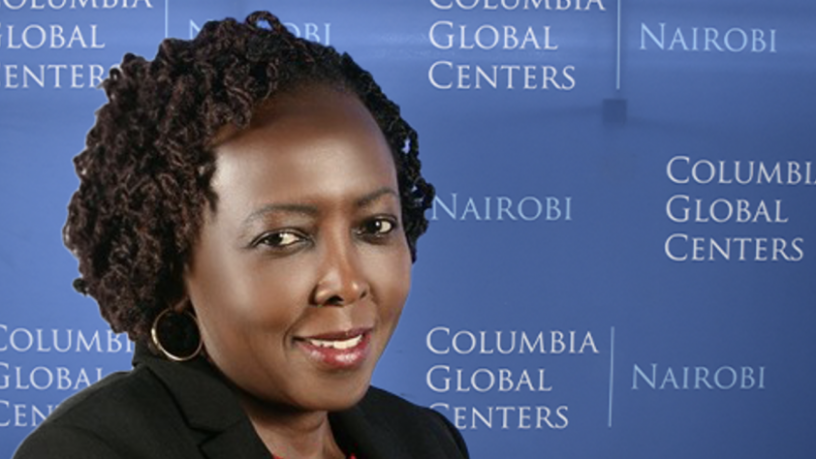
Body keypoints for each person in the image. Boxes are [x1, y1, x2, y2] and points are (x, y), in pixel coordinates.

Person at [14, 11, 468, 459]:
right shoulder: (90, 450)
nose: (347, 283)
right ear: (174, 269)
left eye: (375, 226)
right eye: (282, 238)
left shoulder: (424, 440)